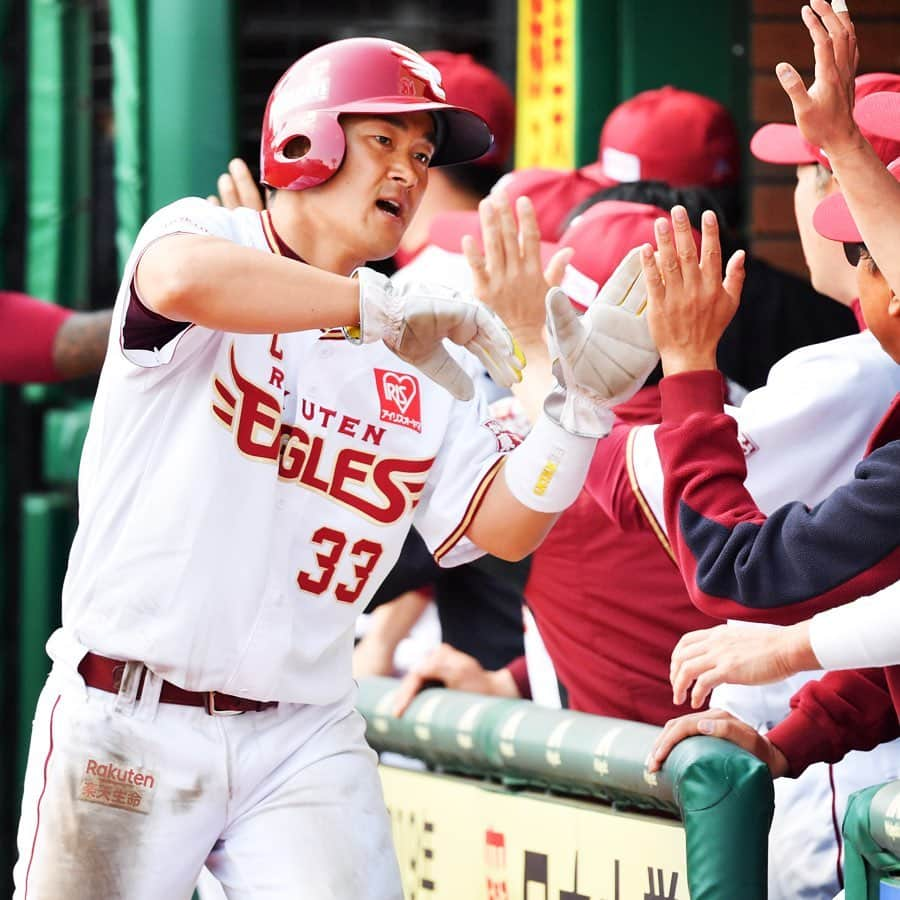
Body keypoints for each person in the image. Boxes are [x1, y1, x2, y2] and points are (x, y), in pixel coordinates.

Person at [14, 37, 658, 899]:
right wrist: (375, 308)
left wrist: (574, 415)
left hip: (302, 731)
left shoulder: (428, 347)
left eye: (422, 155)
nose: (409, 172)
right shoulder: (210, 232)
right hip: (130, 712)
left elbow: (500, 528)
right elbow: (176, 280)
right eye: (384, 141)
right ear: (305, 139)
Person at [645, 0, 900, 783]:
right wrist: (797, 737)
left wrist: (687, 367)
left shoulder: (855, 370)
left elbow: (738, 570)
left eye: (871, 253)